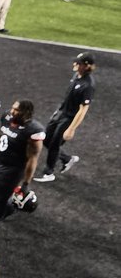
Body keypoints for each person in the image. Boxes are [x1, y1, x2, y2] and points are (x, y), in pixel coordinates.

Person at [0, 100, 46, 246]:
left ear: (26, 113)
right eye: (12, 108)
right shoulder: (7, 118)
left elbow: (33, 159)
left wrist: (26, 183)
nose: (12, 112)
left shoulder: (32, 131)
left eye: (16, 110)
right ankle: (10, 206)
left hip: (13, 170)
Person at [34, 52, 96, 183]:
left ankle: (49, 172)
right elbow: (68, 97)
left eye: (78, 63)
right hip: (61, 114)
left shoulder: (88, 85)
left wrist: (71, 129)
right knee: (46, 140)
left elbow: (83, 110)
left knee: (55, 144)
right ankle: (67, 159)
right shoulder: (76, 76)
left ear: (86, 66)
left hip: (69, 118)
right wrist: (57, 112)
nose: (75, 64)